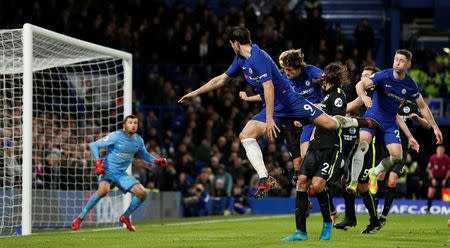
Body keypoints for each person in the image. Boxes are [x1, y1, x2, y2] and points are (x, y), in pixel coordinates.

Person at [179, 26, 378, 200]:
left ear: (236, 43)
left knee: (331, 124)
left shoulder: (260, 58)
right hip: (276, 109)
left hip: (291, 102)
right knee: (245, 135)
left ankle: (359, 123)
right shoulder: (241, 60)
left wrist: (268, 118)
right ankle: (265, 178)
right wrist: (194, 93)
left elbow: (269, 89)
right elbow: (221, 79)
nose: (232, 47)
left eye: (231, 44)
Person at [335, 66, 420, 233]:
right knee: (347, 179)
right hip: (356, 141)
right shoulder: (364, 94)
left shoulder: (380, 93)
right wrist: (330, 112)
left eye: (367, 76)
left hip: (371, 144)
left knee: (363, 186)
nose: (364, 79)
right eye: (362, 76)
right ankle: (350, 217)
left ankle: (373, 220)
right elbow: (351, 106)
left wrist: (409, 136)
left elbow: (396, 117)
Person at [353, 49, 442, 196]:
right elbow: (359, 85)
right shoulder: (384, 75)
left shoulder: (410, 84)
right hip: (373, 117)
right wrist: (363, 96)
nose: (397, 63)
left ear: (408, 64)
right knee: (363, 144)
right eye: (396, 59)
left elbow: (422, 106)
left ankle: (374, 172)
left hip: (389, 122)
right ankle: (353, 181)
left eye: (401, 61)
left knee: (397, 157)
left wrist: (435, 128)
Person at [282, 63, 348, 241]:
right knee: (302, 181)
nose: (322, 79)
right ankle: (300, 232)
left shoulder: (338, 96)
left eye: (325, 76)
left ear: (331, 78)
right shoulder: (326, 96)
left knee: (318, 185)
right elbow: (319, 116)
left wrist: (316, 115)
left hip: (331, 148)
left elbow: (337, 121)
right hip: (315, 145)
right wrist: (304, 121)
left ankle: (327, 223)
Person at [71, 115, 167, 231]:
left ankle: (125, 217)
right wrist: (98, 164)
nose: (133, 125)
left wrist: (156, 160)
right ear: (124, 125)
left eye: (135, 123)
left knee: (143, 193)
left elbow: (144, 154)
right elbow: (94, 145)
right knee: (103, 191)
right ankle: (80, 218)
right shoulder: (115, 136)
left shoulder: (138, 140)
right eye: (130, 123)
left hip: (122, 174)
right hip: (107, 170)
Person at [375, 98, 431, 227]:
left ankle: (383, 216)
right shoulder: (387, 103)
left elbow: (427, 125)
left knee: (392, 179)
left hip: (401, 150)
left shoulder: (410, 106)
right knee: (380, 176)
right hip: (386, 147)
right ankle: (374, 215)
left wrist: (417, 118)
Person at [426, 144, 450, 213]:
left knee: (448, 192)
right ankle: (428, 210)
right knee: (430, 193)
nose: (440, 151)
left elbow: (449, 170)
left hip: (444, 177)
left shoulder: (447, 158)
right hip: (435, 177)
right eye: (439, 150)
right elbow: (429, 169)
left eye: (441, 150)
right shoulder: (432, 158)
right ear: (437, 151)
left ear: (443, 151)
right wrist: (433, 179)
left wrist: (445, 179)